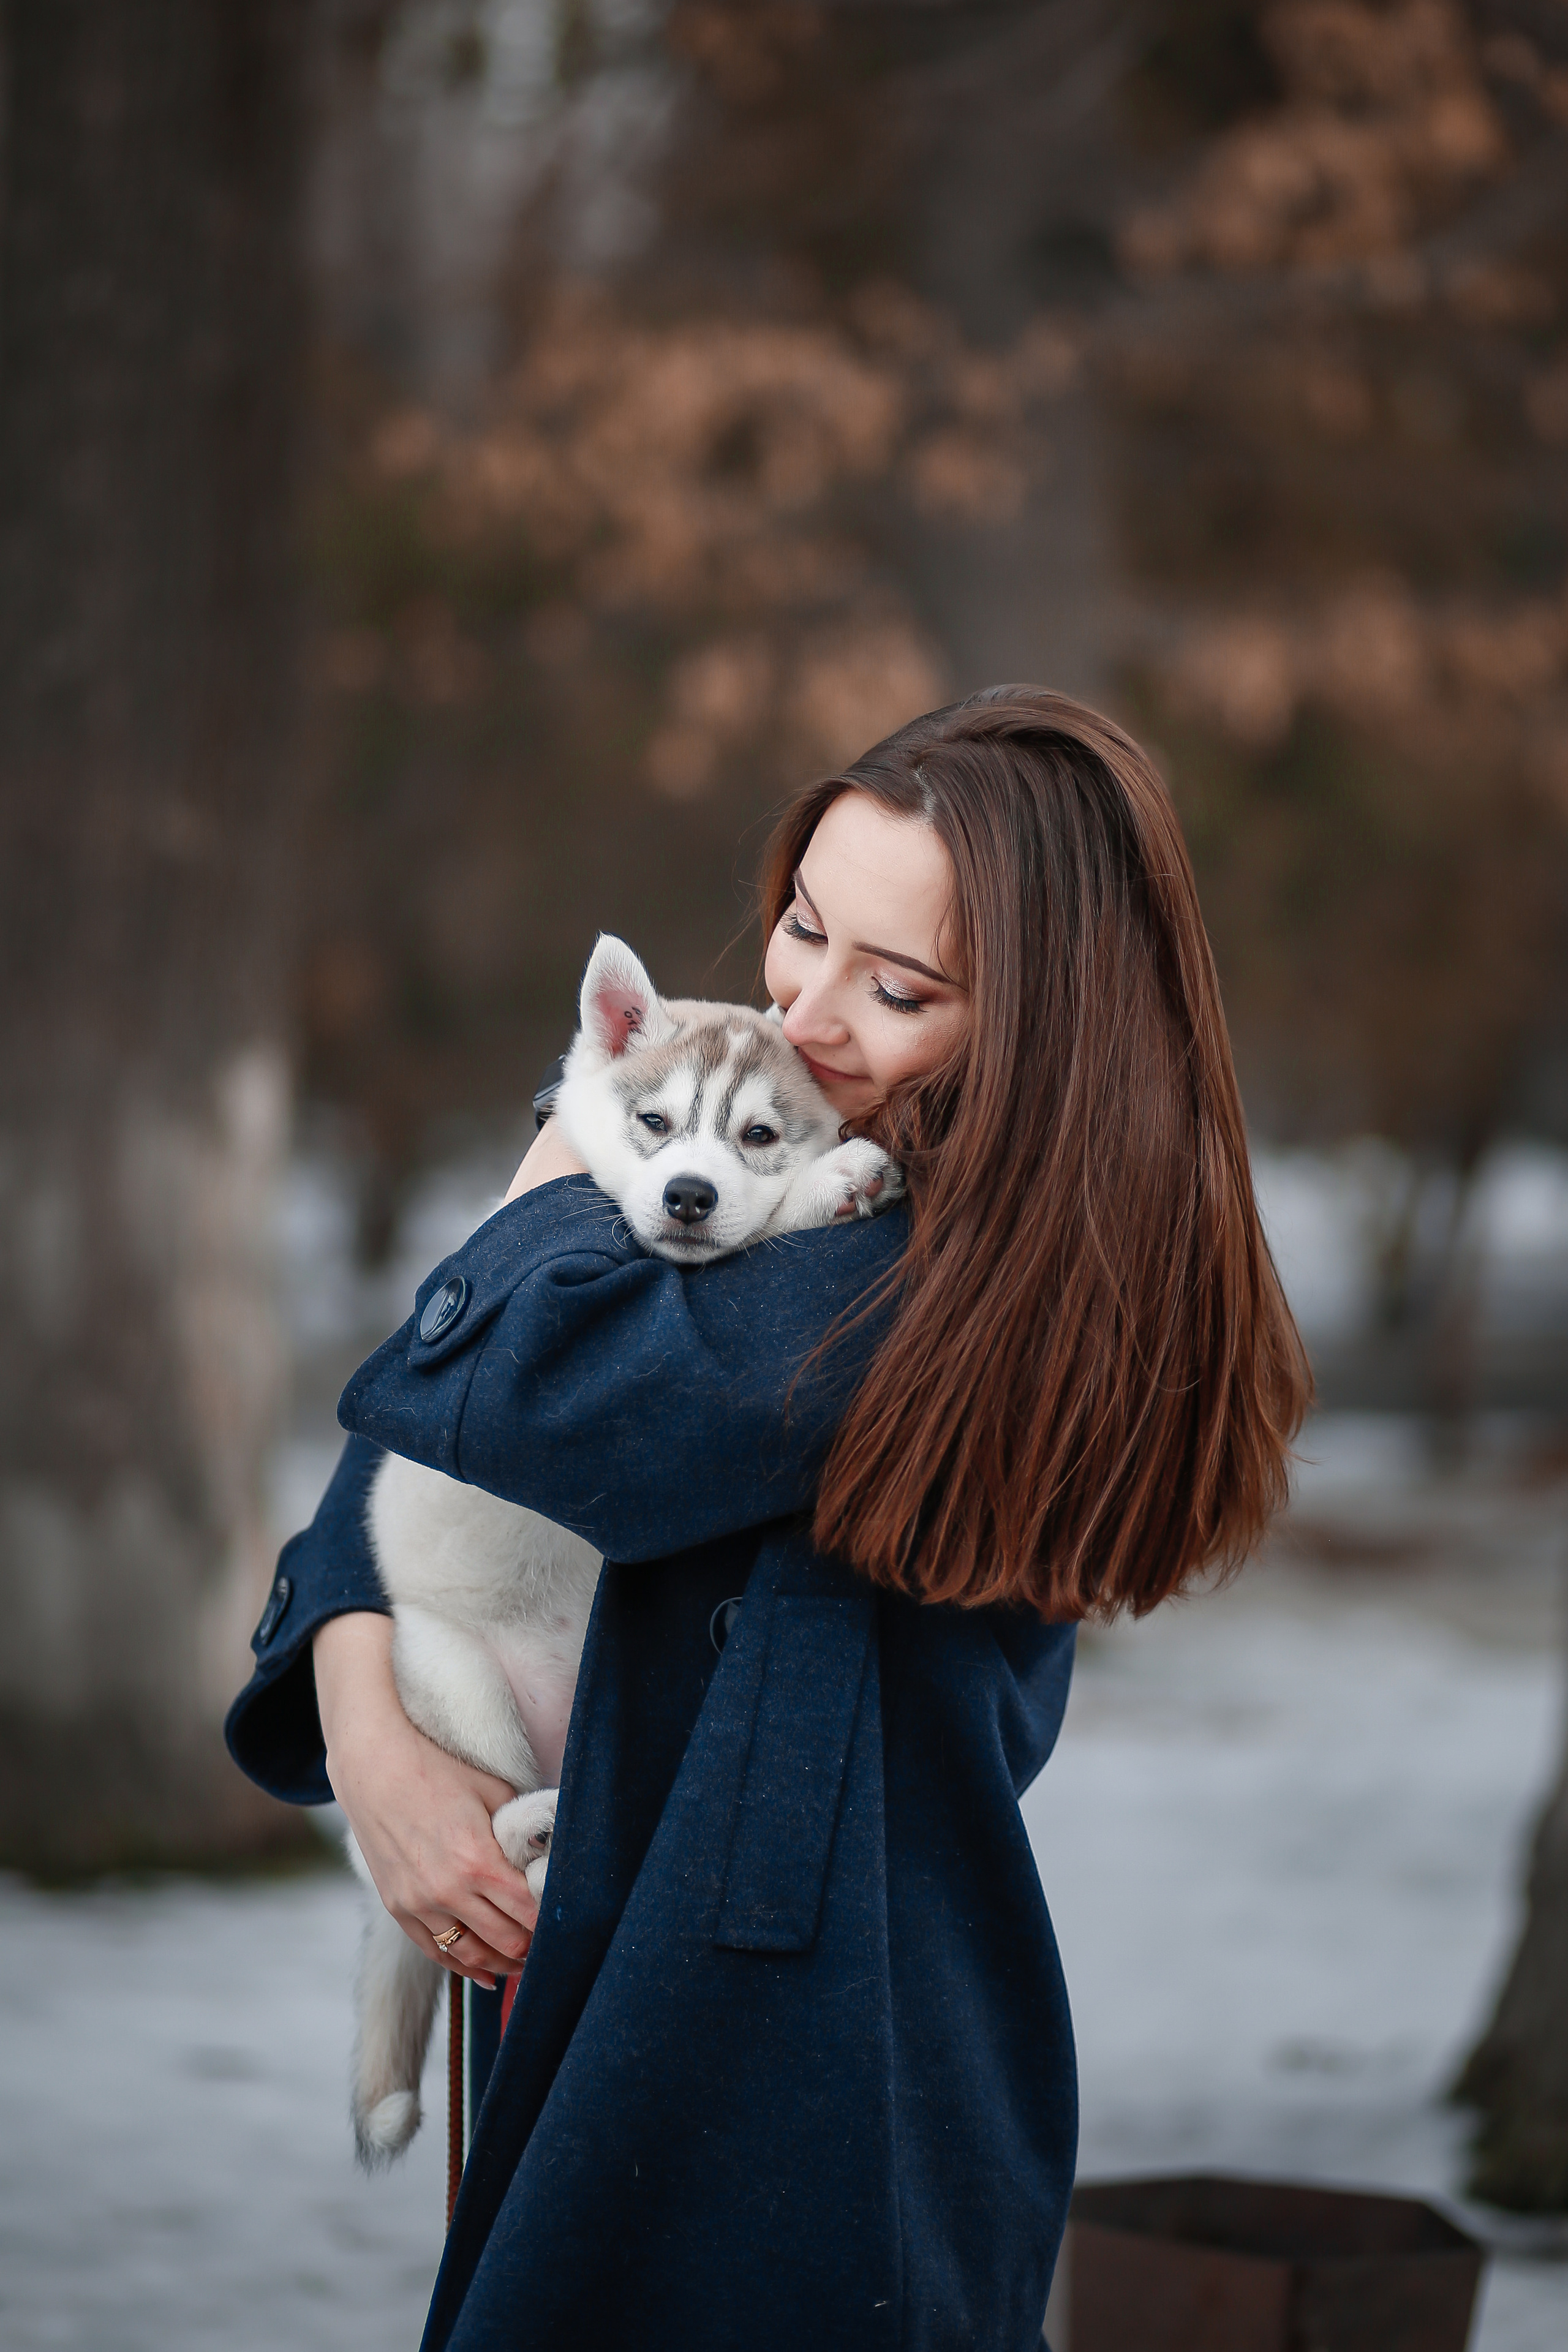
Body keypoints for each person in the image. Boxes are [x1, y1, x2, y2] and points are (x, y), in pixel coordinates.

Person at [227, 686, 1310, 2352]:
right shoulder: (784, 1183)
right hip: (652, 1973)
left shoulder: (907, 1281)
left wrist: (554, 1158)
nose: (804, 1008)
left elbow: (493, 1382)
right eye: (804, 926)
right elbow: (422, 1444)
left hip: (795, 2075)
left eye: (897, 986)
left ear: (1045, 1032)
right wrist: (367, 1716)